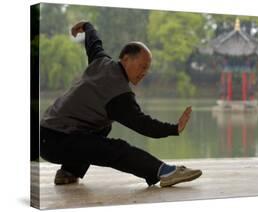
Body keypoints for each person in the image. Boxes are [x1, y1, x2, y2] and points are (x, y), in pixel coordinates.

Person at [40, 21, 202, 187]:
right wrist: (174, 128)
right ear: (125, 59)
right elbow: (144, 124)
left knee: (103, 127)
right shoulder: (119, 94)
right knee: (116, 149)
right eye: (142, 66)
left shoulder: (101, 61)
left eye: (147, 68)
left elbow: (94, 43)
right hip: (56, 141)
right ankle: (164, 172)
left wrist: (87, 27)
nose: (144, 72)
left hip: (46, 134)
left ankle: (68, 172)